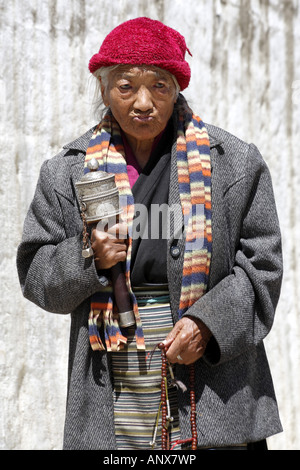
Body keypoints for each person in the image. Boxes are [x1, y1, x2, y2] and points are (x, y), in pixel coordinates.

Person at [17, 17, 283, 450]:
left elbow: (262, 269)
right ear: (103, 90)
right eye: (126, 87)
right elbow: (36, 274)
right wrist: (88, 258)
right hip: (114, 372)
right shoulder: (68, 172)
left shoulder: (234, 164)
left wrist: (208, 324)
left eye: (159, 85)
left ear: (178, 87)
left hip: (211, 378)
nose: (144, 102)